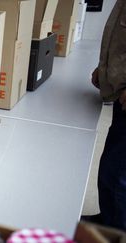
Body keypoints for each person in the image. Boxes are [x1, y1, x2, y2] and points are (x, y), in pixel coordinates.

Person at [91, 0, 126, 230]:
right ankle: (107, 220)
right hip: (120, 93)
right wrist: (104, 71)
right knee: (110, 167)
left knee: (117, 175)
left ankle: (114, 231)